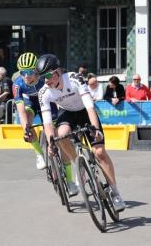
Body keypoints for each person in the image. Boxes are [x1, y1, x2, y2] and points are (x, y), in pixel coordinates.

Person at [36, 54, 126, 211]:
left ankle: (115, 193)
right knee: (60, 134)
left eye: (48, 75)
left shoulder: (75, 78)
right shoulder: (44, 92)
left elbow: (90, 107)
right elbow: (47, 122)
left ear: (57, 72)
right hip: (67, 113)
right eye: (42, 77)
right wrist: (50, 143)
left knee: (99, 152)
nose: (46, 80)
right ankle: (78, 165)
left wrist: (96, 129)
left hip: (85, 111)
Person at [12, 52, 54, 170]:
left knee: (53, 126)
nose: (26, 76)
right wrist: (26, 129)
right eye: (22, 72)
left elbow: (57, 97)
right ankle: (39, 154)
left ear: (36, 71)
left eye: (29, 72)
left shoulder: (45, 77)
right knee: (27, 123)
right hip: (31, 102)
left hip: (47, 101)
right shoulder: (17, 85)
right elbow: (21, 111)